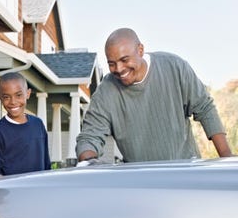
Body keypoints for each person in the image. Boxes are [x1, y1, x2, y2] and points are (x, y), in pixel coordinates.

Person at [76, 28, 233, 163]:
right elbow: (89, 138)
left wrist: (227, 160)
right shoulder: (106, 91)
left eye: (124, 60)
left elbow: (205, 109)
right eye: (111, 63)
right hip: (141, 182)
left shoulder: (174, 67)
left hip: (185, 171)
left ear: (140, 50)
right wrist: (89, 163)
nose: (119, 68)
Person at [0, 71, 51, 177]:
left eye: (18, 95)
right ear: (0, 98)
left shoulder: (38, 124)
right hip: (12, 190)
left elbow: (46, 161)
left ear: (27, 94)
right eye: (6, 97)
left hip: (38, 189)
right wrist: (1, 182)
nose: (13, 101)